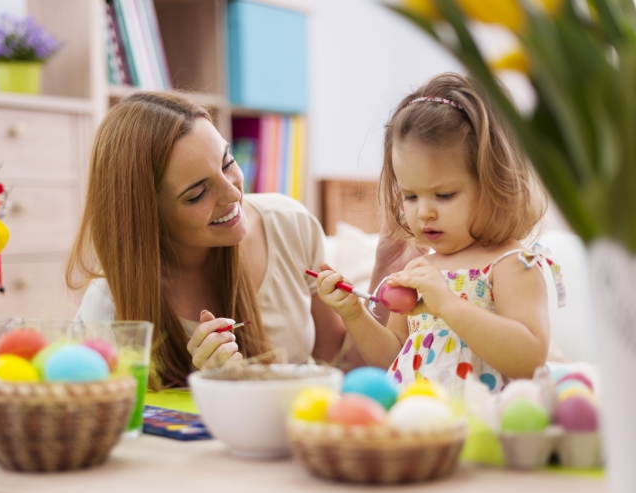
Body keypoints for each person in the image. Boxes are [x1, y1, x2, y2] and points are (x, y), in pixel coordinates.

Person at [69, 92, 363, 390]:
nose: (233, 194)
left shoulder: (290, 224)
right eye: (197, 194)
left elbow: (341, 363)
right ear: (148, 217)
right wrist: (215, 391)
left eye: (228, 164)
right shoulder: (109, 304)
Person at [316, 73, 565, 394]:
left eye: (444, 195)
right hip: (423, 427)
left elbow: (528, 360)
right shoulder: (419, 271)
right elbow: (394, 358)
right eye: (410, 196)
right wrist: (354, 313)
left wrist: (448, 304)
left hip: (487, 427)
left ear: (496, 185)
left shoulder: (513, 264)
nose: (424, 212)